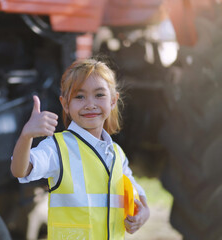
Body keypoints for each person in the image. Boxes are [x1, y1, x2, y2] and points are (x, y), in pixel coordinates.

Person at [11, 58, 150, 240]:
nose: (90, 104)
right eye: (79, 96)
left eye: (99, 95)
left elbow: (136, 194)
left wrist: (144, 213)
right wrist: (26, 136)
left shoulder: (116, 154)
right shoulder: (57, 148)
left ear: (113, 100)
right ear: (65, 104)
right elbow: (19, 170)